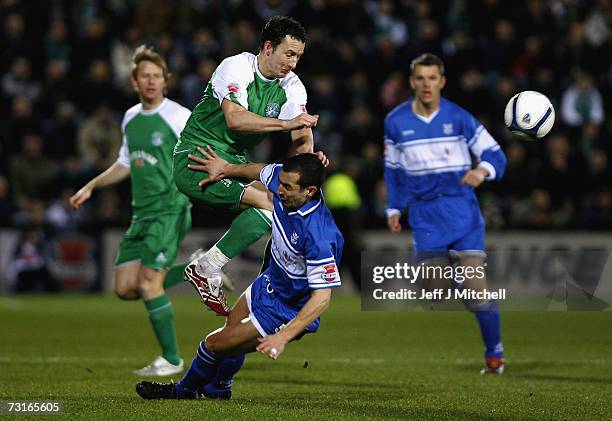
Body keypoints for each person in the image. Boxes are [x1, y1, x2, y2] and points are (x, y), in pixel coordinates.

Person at [136, 152, 343, 400]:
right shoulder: (282, 179)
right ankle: (219, 388)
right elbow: (259, 170)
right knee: (231, 327)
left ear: (309, 191)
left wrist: (283, 336)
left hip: (287, 310)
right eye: (280, 183)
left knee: (214, 344)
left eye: (288, 187)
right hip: (269, 283)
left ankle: (183, 391)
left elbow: (322, 298)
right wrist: (225, 168)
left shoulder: (319, 236)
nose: (280, 190)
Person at [172, 15, 326, 316]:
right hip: (198, 157)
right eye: (289, 54)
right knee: (273, 203)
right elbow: (235, 118)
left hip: (232, 163)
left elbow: (301, 133)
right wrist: (285, 122)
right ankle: (210, 268)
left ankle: (210, 267)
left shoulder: (291, 85)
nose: (293, 63)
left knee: (281, 205)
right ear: (268, 47)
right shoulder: (236, 67)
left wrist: (308, 159)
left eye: (298, 57)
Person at [70, 45, 192, 376]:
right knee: (125, 288)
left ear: (166, 81)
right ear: (134, 82)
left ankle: (171, 359)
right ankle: (196, 270)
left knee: (150, 284)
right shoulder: (130, 117)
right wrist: (92, 186)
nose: (151, 82)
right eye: (144, 77)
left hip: (170, 208)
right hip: (142, 213)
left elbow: (199, 154)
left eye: (157, 76)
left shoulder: (178, 117)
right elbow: (125, 162)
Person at [383, 53, 508, 374]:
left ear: (442, 81)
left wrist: (482, 171)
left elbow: (496, 154)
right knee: (431, 289)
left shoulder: (460, 118)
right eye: (420, 78)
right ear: (412, 82)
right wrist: (395, 207)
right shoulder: (395, 122)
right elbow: (393, 170)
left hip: (462, 210)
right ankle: (461, 282)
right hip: (425, 215)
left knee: (475, 292)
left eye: (432, 78)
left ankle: (494, 355)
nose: (426, 84)